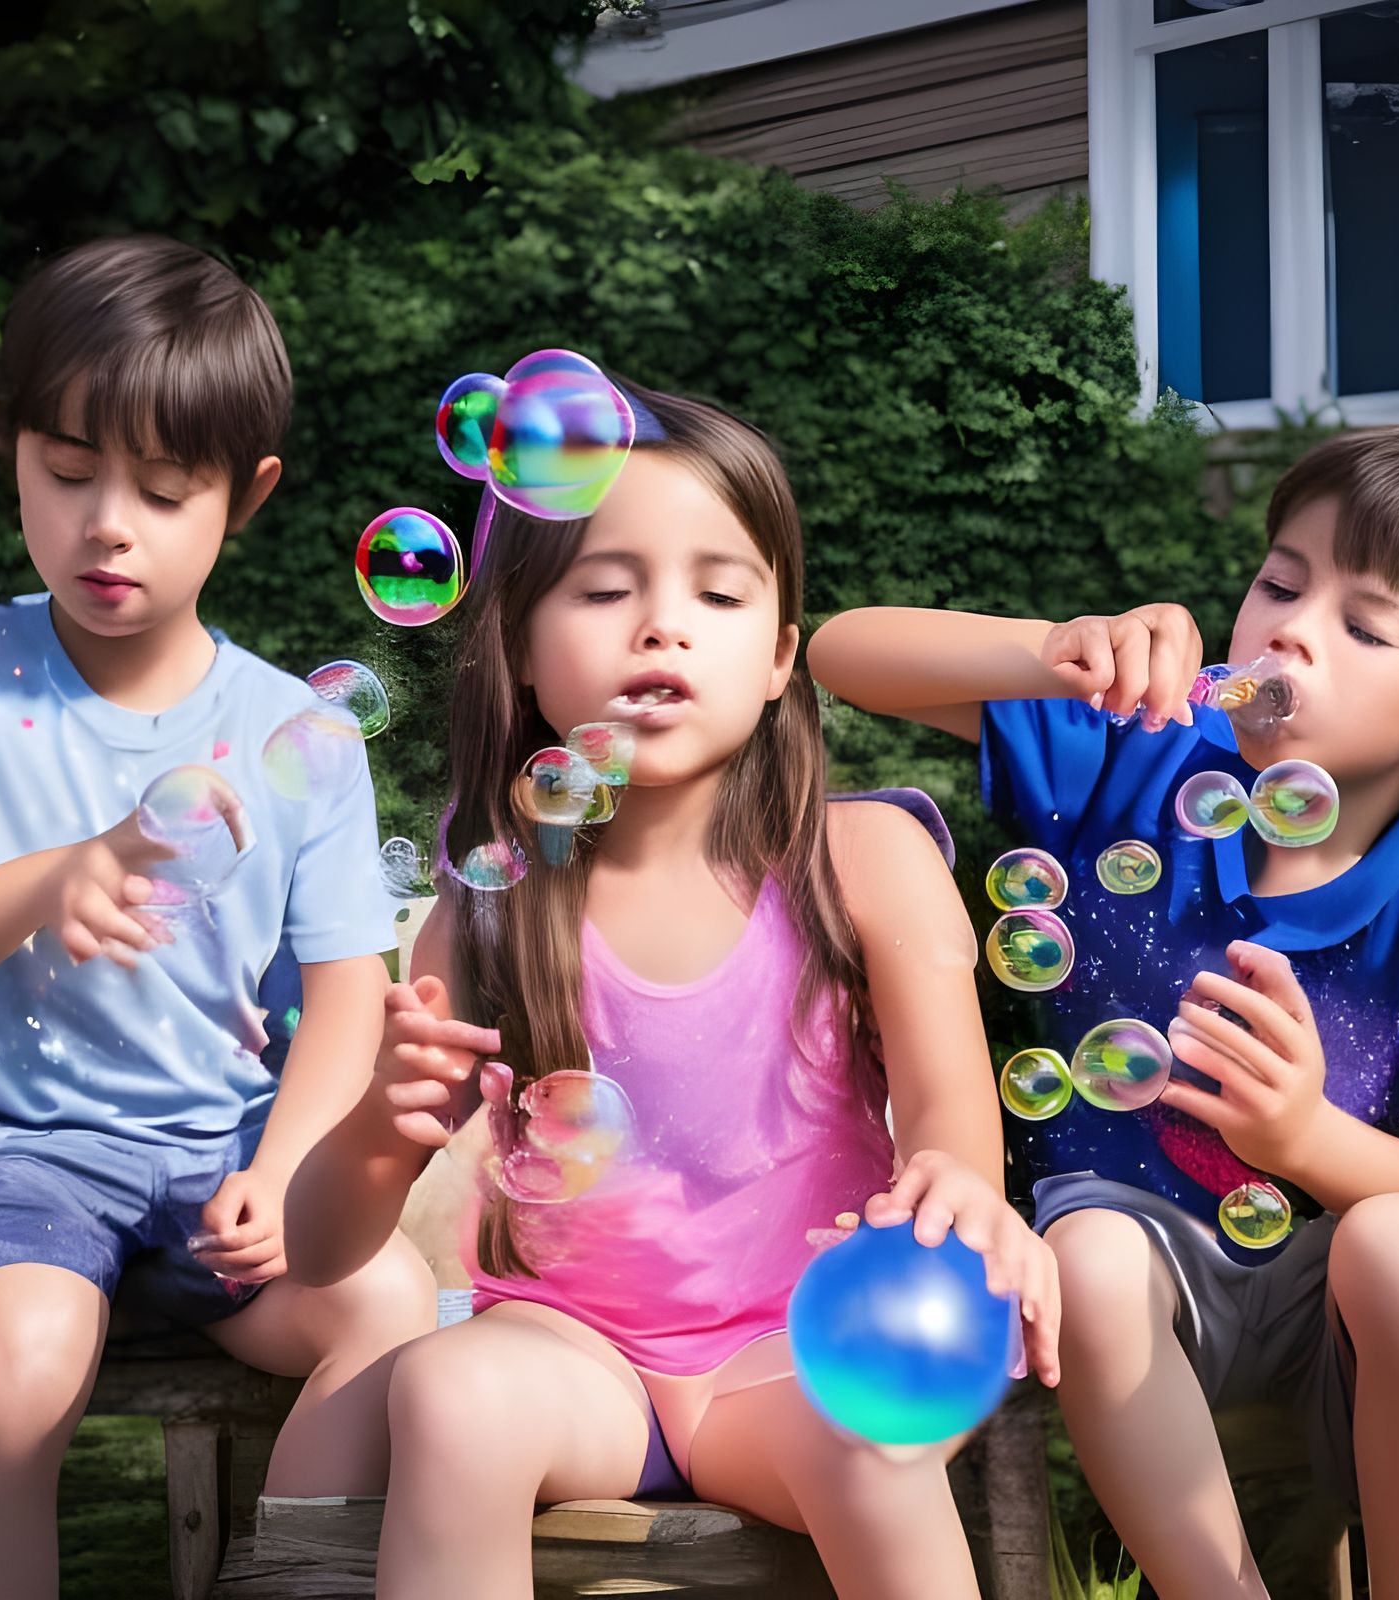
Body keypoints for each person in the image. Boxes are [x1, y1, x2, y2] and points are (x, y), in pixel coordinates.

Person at [284, 377, 1060, 1600]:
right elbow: (322, 1249)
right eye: (604, 589)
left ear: (778, 658)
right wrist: (384, 1125)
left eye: (717, 589)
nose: (662, 626)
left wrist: (959, 1185)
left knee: (878, 1441)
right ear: (525, 654)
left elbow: (955, 1126)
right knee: (446, 1385)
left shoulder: (864, 861)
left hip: (793, 1356)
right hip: (572, 1355)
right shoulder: (485, 910)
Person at [807, 423, 1399, 1600]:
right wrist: (1051, 653)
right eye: (1279, 582)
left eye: (1362, 623)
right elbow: (844, 652)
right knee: (1087, 1247)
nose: (1288, 627)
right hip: (1142, 1287)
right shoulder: (1142, 754)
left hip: (1337, 1300)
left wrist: (1299, 1144)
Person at [0, 235, 437, 1599]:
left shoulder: (295, 730)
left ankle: (290, 1581)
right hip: (17, 1155)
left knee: (389, 1304)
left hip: (222, 1164)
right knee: (20, 1368)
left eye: (162, 489)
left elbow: (345, 990)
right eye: (69, 470)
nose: (109, 522)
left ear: (244, 495)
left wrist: (285, 1170)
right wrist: (51, 878)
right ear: (12, 452)